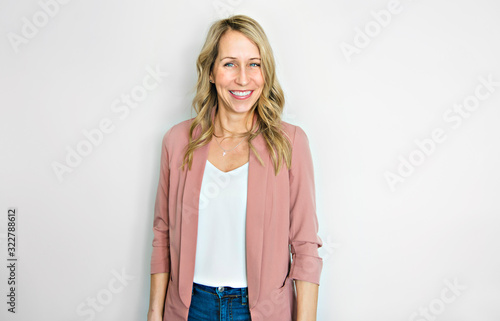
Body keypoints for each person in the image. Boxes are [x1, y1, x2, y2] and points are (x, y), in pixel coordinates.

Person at [147, 15, 323, 321]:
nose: (243, 78)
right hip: (191, 308)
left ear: (265, 72)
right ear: (211, 72)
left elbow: (305, 246)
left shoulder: (290, 143)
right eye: (230, 63)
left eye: (254, 64)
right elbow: (162, 235)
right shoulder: (177, 142)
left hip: (262, 311)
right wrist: (154, 313)